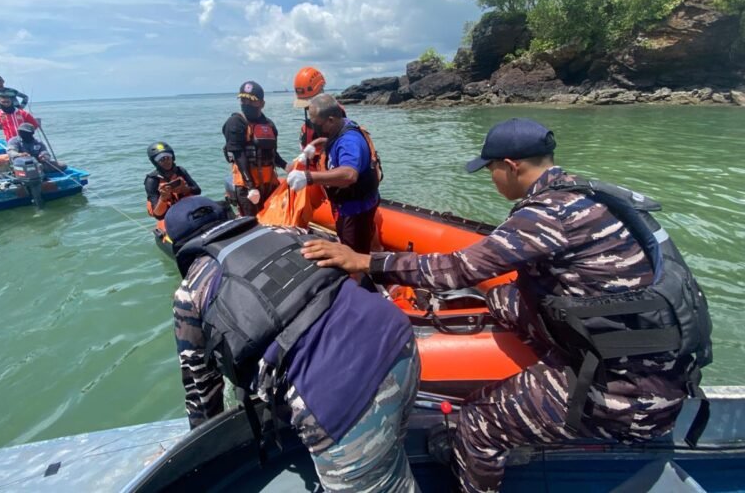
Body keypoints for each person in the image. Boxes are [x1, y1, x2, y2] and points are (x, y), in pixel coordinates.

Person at [301, 118, 713, 493]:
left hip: (625, 395)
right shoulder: (586, 195)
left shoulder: (545, 217)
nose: (491, 179)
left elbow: (458, 269)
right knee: (500, 298)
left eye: (492, 170)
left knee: (477, 424)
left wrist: (366, 262)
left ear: (512, 166)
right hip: (654, 359)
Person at [165, 195, 420, 492]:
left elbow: (202, 389)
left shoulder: (189, 293)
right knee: (392, 465)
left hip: (340, 398)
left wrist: (206, 457)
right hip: (396, 337)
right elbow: (349, 268)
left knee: (381, 477)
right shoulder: (287, 232)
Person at [287, 93, 381, 253]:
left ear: (330, 119)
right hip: (345, 205)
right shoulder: (340, 126)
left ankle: (360, 277)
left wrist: (308, 177)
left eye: (317, 124)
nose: (315, 128)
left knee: (353, 253)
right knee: (348, 243)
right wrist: (313, 146)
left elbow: (349, 174)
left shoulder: (350, 141)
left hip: (356, 209)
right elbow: (331, 141)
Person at [222, 81, 288, 217]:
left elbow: (272, 153)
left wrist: (286, 166)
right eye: (243, 100)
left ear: (262, 104)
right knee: (252, 225)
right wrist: (251, 187)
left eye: (251, 101)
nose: (246, 104)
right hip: (247, 187)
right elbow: (238, 155)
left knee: (275, 220)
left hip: (270, 183)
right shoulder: (235, 122)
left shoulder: (269, 125)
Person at [144, 142, 201, 220]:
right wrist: (163, 198)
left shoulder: (180, 170)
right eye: (161, 160)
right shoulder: (151, 180)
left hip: (187, 209)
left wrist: (185, 189)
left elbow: (197, 190)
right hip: (169, 216)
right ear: (155, 162)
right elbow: (158, 215)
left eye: (168, 157)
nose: (166, 161)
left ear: (172, 157)